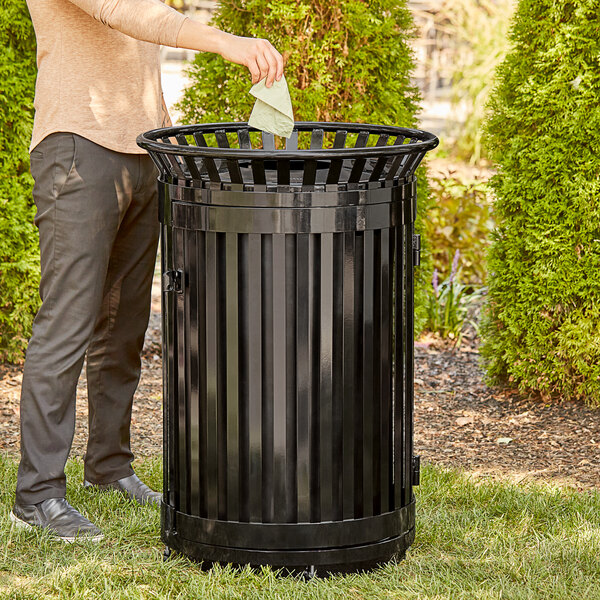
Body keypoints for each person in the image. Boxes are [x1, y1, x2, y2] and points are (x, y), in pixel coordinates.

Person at [12, 0, 284, 543]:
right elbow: (125, 11)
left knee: (124, 327)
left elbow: (141, 41)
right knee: (67, 325)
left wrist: (159, 124)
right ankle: (38, 493)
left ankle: (109, 468)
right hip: (77, 149)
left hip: (141, 152)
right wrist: (226, 42)